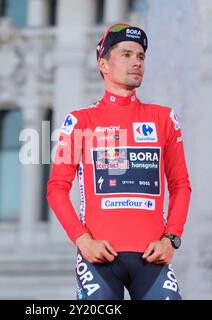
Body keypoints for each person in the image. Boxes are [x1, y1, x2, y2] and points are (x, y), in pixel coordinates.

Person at [47, 23, 191, 300]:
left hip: (152, 259)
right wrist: (82, 240)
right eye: (126, 55)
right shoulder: (78, 121)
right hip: (99, 259)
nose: (136, 62)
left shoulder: (164, 118)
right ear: (103, 64)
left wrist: (171, 238)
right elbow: (56, 187)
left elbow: (181, 184)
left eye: (140, 56)